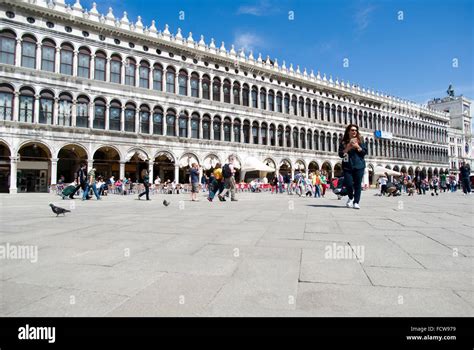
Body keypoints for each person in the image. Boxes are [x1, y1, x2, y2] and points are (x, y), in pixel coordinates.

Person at [338, 124, 367, 209]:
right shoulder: (343, 142)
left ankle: (356, 202)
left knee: (358, 185)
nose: (354, 131)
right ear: (348, 131)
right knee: (348, 184)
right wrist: (348, 147)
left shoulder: (360, 141)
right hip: (347, 166)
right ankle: (351, 197)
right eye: (352, 130)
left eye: (355, 130)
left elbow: (364, 153)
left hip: (359, 165)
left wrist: (357, 146)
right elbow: (340, 154)